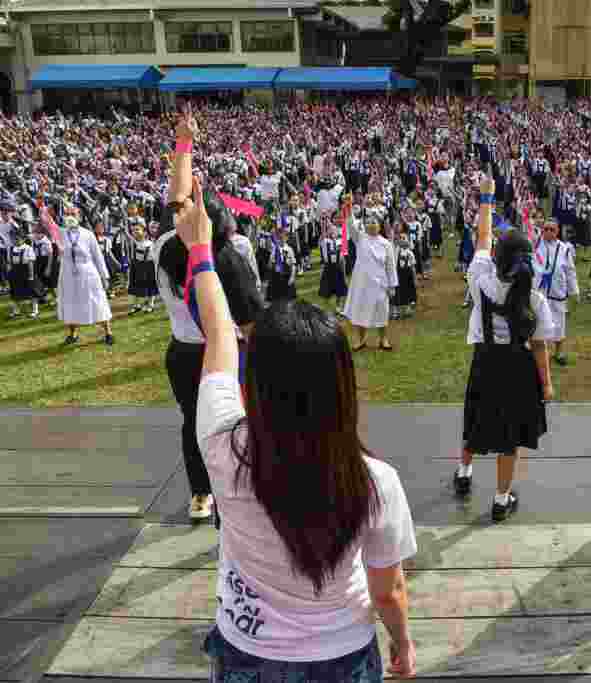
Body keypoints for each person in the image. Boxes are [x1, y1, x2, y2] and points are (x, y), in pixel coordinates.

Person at [175, 170, 418, 682]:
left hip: (247, 650)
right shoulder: (376, 481)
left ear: (257, 380)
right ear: (343, 385)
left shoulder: (222, 446)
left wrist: (200, 251)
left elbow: (220, 334)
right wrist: (402, 643)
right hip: (343, 652)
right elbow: (388, 591)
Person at [156, 114, 265, 523]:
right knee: (235, 425)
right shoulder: (225, 265)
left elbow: (176, 197)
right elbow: (250, 326)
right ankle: (236, 495)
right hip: (221, 356)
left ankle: (201, 494)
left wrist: (184, 145)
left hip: (181, 353)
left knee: (193, 425)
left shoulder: (166, 243)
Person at [455, 176, 555, 523]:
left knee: (475, 418)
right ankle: (500, 498)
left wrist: (486, 197)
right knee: (508, 434)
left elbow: (483, 236)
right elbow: (540, 345)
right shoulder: (536, 297)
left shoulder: (481, 278)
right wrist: (547, 384)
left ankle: (464, 473)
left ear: (498, 257)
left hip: (485, 361)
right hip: (518, 367)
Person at [43, 202, 114, 346]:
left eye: (73, 214)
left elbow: (97, 256)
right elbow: (47, 221)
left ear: (79, 217)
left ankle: (108, 332)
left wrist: (104, 276)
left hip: (87, 272)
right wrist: (43, 206)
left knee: (96, 300)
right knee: (70, 302)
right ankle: (73, 334)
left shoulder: (88, 234)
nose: (70, 217)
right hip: (68, 273)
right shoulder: (60, 233)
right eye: (67, 214)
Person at [343, 199, 398, 352]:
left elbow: (390, 266)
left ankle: (383, 339)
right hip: (362, 283)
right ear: (365, 226)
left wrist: (392, 285)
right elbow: (351, 225)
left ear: (379, 226)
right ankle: (361, 340)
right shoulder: (360, 238)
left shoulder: (386, 244)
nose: (372, 225)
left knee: (382, 311)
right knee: (361, 311)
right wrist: (348, 209)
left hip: (380, 283)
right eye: (368, 223)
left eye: (375, 223)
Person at [533, 218, 579, 366]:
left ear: (557, 231)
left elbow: (570, 271)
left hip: (558, 290)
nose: (548, 232)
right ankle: (539, 351)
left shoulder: (564, 249)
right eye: (545, 229)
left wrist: (574, 291)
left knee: (559, 321)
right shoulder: (536, 244)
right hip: (540, 289)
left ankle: (559, 352)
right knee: (538, 320)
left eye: (552, 229)